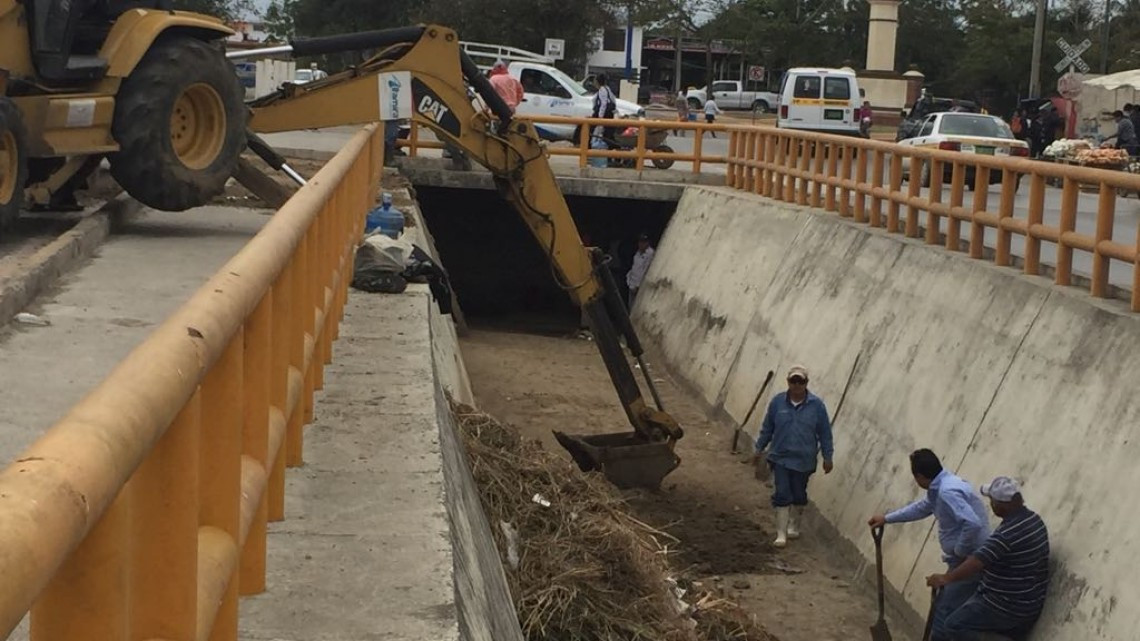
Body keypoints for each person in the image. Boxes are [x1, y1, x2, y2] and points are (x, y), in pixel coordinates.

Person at [868, 450, 990, 641]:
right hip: (965, 560)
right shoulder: (941, 486)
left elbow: (973, 523)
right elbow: (922, 508)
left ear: (919, 476)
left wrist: (959, 550)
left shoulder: (947, 491)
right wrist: (886, 519)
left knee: (944, 612)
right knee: (947, 608)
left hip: (969, 562)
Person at [926, 476, 1050, 641]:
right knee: (959, 601)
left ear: (1000, 505)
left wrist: (945, 578)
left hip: (1007, 605)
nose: (990, 505)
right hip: (1025, 599)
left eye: (992, 500)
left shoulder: (1006, 534)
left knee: (953, 625)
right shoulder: (1034, 520)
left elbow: (977, 561)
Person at [751, 366, 834, 548]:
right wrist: (759, 449)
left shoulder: (817, 406)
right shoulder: (777, 403)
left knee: (798, 493)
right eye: (793, 381)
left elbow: (825, 433)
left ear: (806, 383)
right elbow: (768, 428)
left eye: (800, 382)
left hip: (804, 460)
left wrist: (828, 457)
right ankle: (781, 533)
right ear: (788, 382)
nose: (796, 385)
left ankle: (794, 523)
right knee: (782, 493)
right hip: (780, 457)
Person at [625, 233, 655, 309]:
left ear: (648, 243)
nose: (641, 244)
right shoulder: (637, 254)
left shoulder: (650, 254)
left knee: (639, 307)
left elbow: (646, 271)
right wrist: (629, 281)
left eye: (644, 242)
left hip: (640, 287)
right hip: (632, 285)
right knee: (631, 308)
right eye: (640, 242)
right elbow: (634, 268)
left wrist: (638, 286)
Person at [591, 73, 618, 148]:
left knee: (591, 129)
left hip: (604, 114)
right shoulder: (607, 88)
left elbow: (603, 103)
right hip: (609, 114)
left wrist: (600, 116)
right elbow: (613, 99)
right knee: (608, 133)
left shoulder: (602, 90)